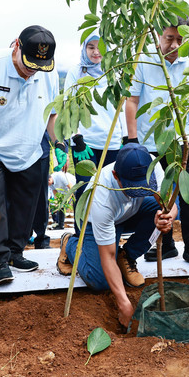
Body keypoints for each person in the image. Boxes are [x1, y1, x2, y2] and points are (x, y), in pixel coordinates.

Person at [0, 25, 60, 285]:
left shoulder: (46, 73)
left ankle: (16, 253)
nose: (33, 70)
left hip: (28, 150)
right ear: (16, 46)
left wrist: (59, 142)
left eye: (39, 65)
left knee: (26, 206)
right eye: (29, 63)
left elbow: (51, 113)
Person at [57, 143, 177, 327]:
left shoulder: (151, 165)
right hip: (97, 222)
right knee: (98, 280)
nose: (140, 191)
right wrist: (124, 303)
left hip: (129, 213)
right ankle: (70, 244)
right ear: (115, 175)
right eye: (133, 187)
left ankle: (128, 255)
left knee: (167, 208)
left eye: (143, 185)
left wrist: (167, 217)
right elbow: (108, 256)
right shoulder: (102, 196)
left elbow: (168, 203)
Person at [125, 18, 189, 268]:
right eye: (169, 38)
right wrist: (133, 140)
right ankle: (164, 242)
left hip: (185, 139)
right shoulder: (143, 59)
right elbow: (132, 101)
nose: (174, 44)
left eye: (180, 39)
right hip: (151, 140)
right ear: (159, 37)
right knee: (157, 192)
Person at [64, 32, 126, 235]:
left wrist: (125, 137)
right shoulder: (77, 72)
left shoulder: (114, 72)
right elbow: (68, 104)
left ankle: (109, 236)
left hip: (112, 143)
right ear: (84, 49)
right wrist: (77, 137)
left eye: (100, 47)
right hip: (86, 145)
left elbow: (122, 106)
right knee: (84, 192)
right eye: (91, 47)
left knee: (111, 192)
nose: (96, 52)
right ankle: (82, 235)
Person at [49, 160, 76, 230]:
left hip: (74, 188)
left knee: (71, 205)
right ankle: (60, 224)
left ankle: (78, 225)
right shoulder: (50, 183)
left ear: (49, 179)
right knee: (60, 205)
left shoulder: (60, 176)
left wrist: (67, 199)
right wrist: (56, 203)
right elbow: (55, 193)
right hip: (64, 192)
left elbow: (71, 188)